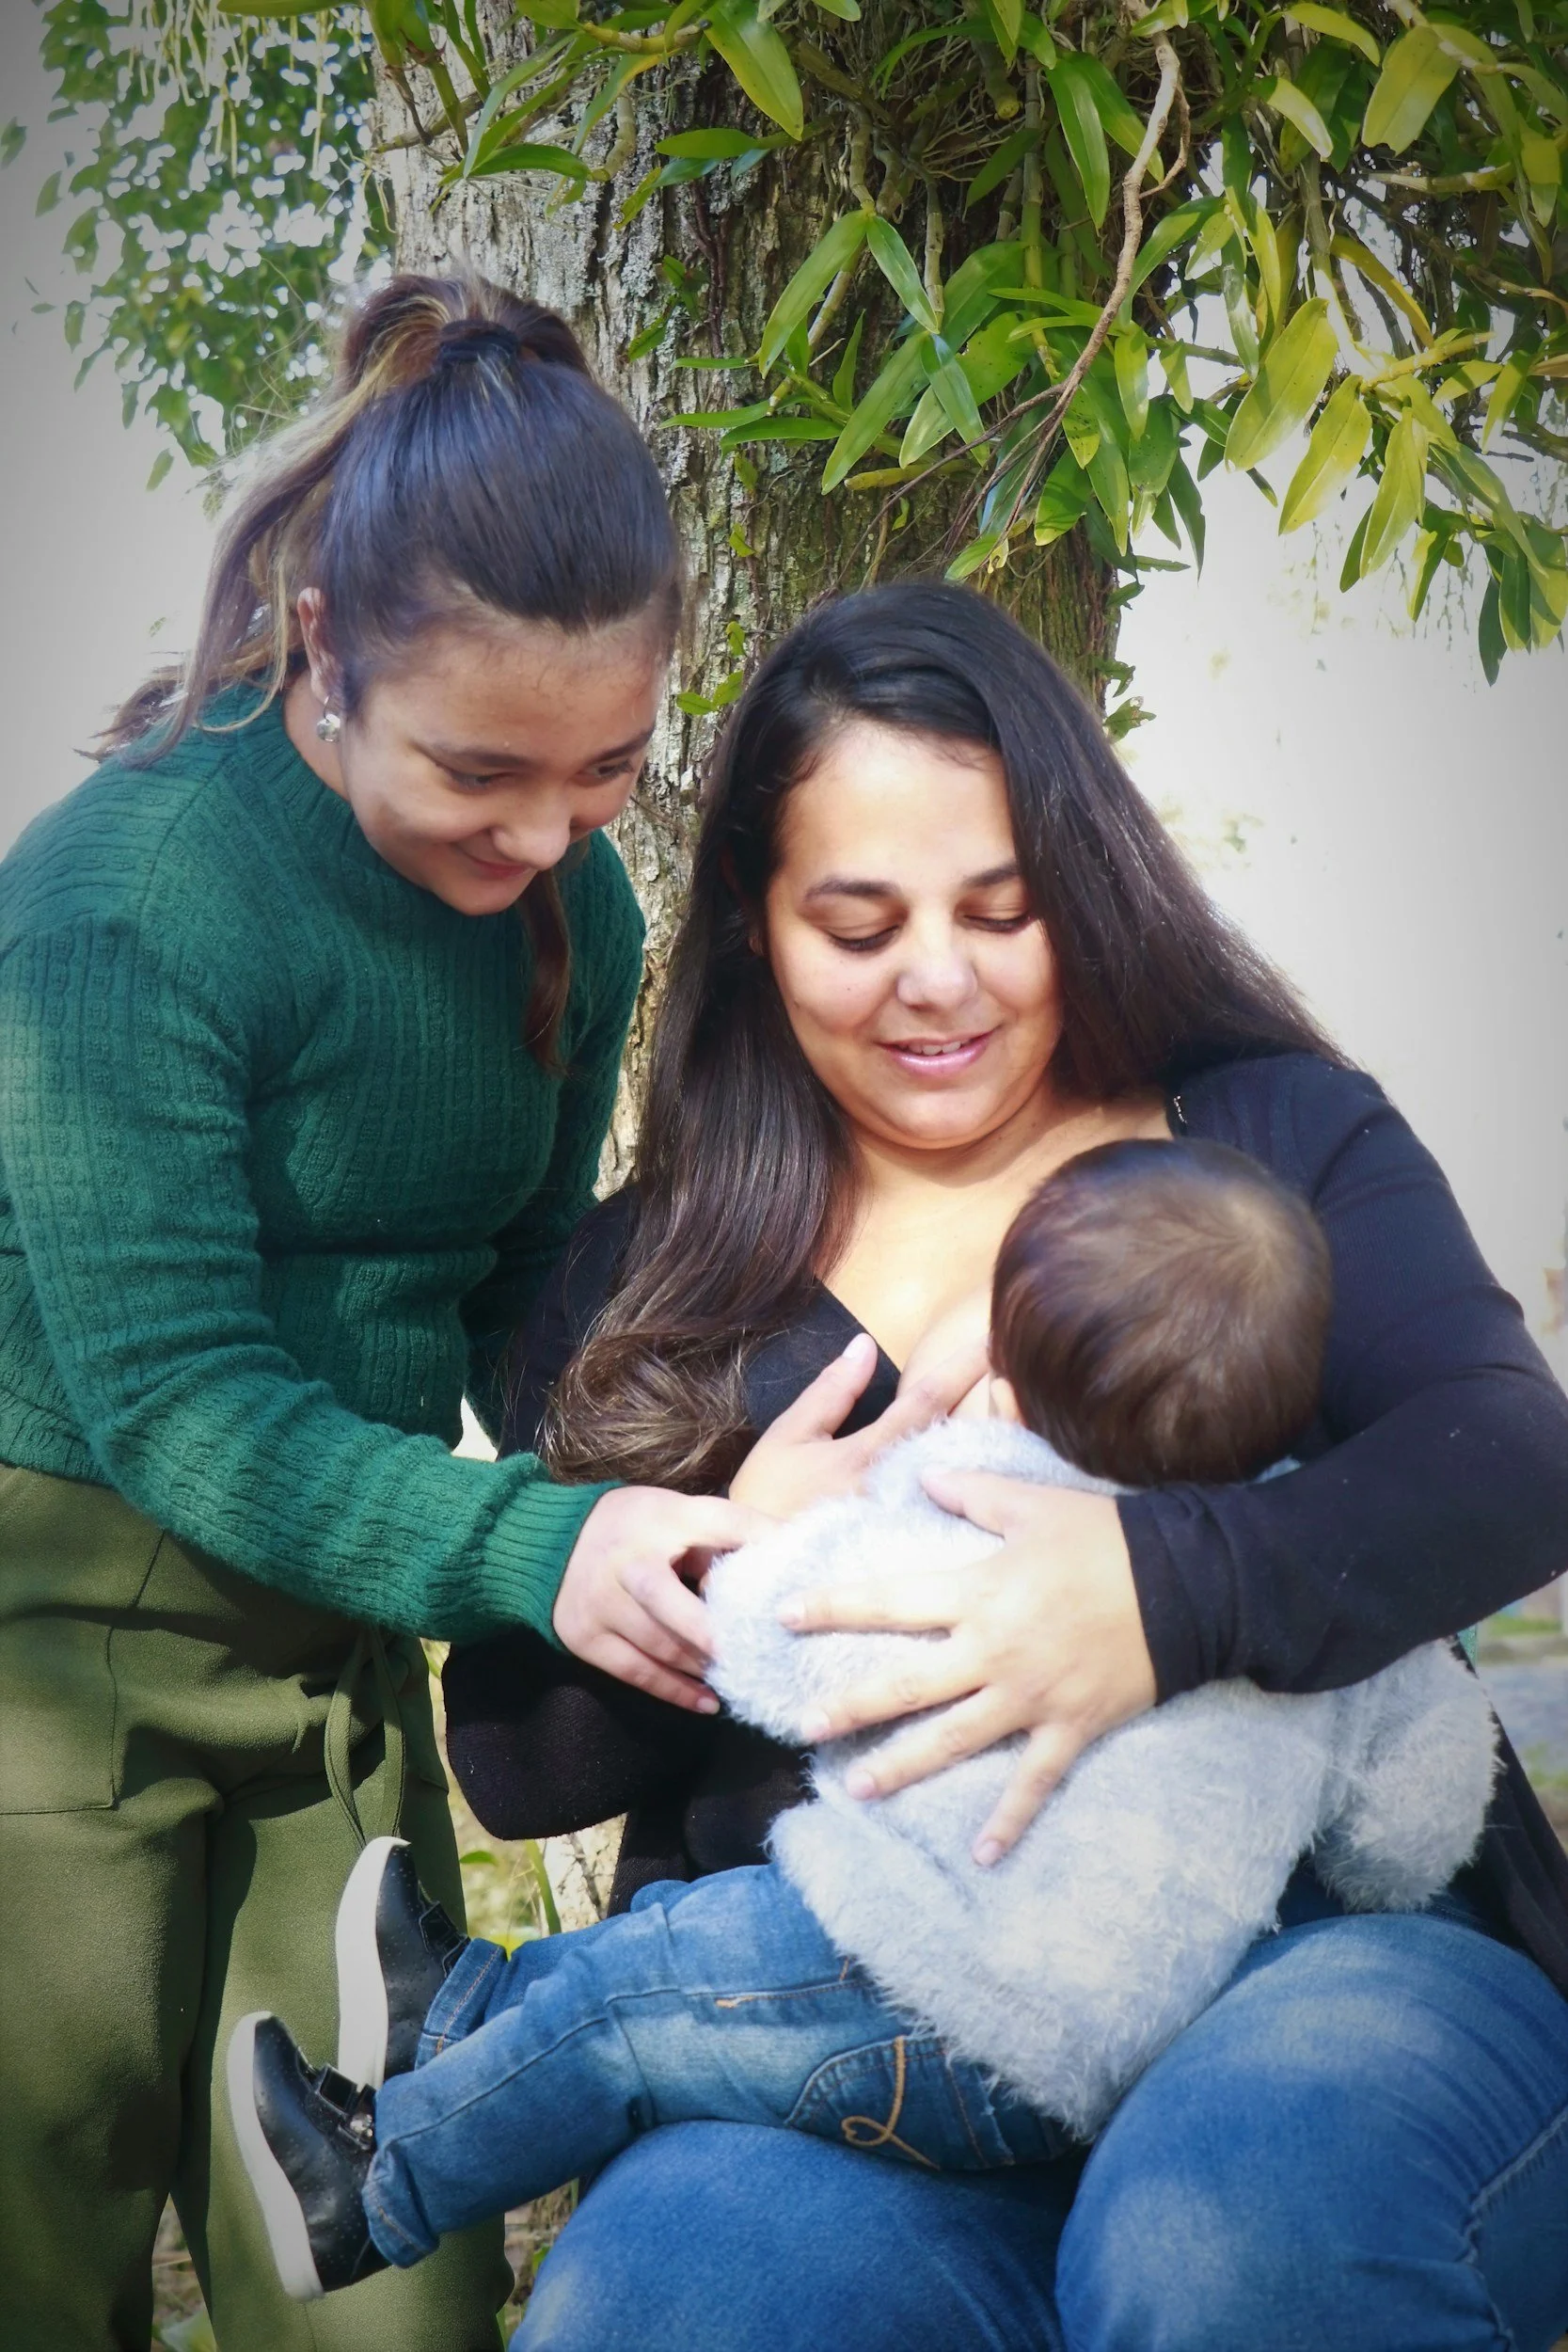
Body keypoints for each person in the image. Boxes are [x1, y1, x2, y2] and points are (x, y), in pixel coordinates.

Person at [443, 582, 1568, 2351]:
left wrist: (1152, 1595)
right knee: (667, 2304)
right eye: (858, 922)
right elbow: (512, 1751)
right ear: (751, 925)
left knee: (1221, 2241)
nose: (938, 980)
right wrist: (734, 1564)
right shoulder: (645, 1283)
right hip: (876, 2046)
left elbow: (1506, 1460)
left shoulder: (1261, 1138)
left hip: (1324, 1985)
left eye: (1000, 908)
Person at [0, 269, 768, 2352]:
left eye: (603, 770)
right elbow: (172, 1402)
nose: (539, 839)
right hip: (48, 1653)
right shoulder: (123, 900)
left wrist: (675, 1473)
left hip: (327, 1655)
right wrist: (535, 1546)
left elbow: (522, 1287)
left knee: (391, 2266)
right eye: (480, 772)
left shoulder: (568, 904)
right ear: (326, 644)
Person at [225, 1138, 1497, 2305]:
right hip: (1088, 2018)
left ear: (1015, 1353)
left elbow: (783, 1662)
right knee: (684, 1941)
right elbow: (1410, 1830)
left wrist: (759, 1530)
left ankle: (379, 2188)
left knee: (635, 2026)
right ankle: (456, 2008)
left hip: (935, 2001)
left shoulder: (977, 1493)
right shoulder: (1316, 1568)